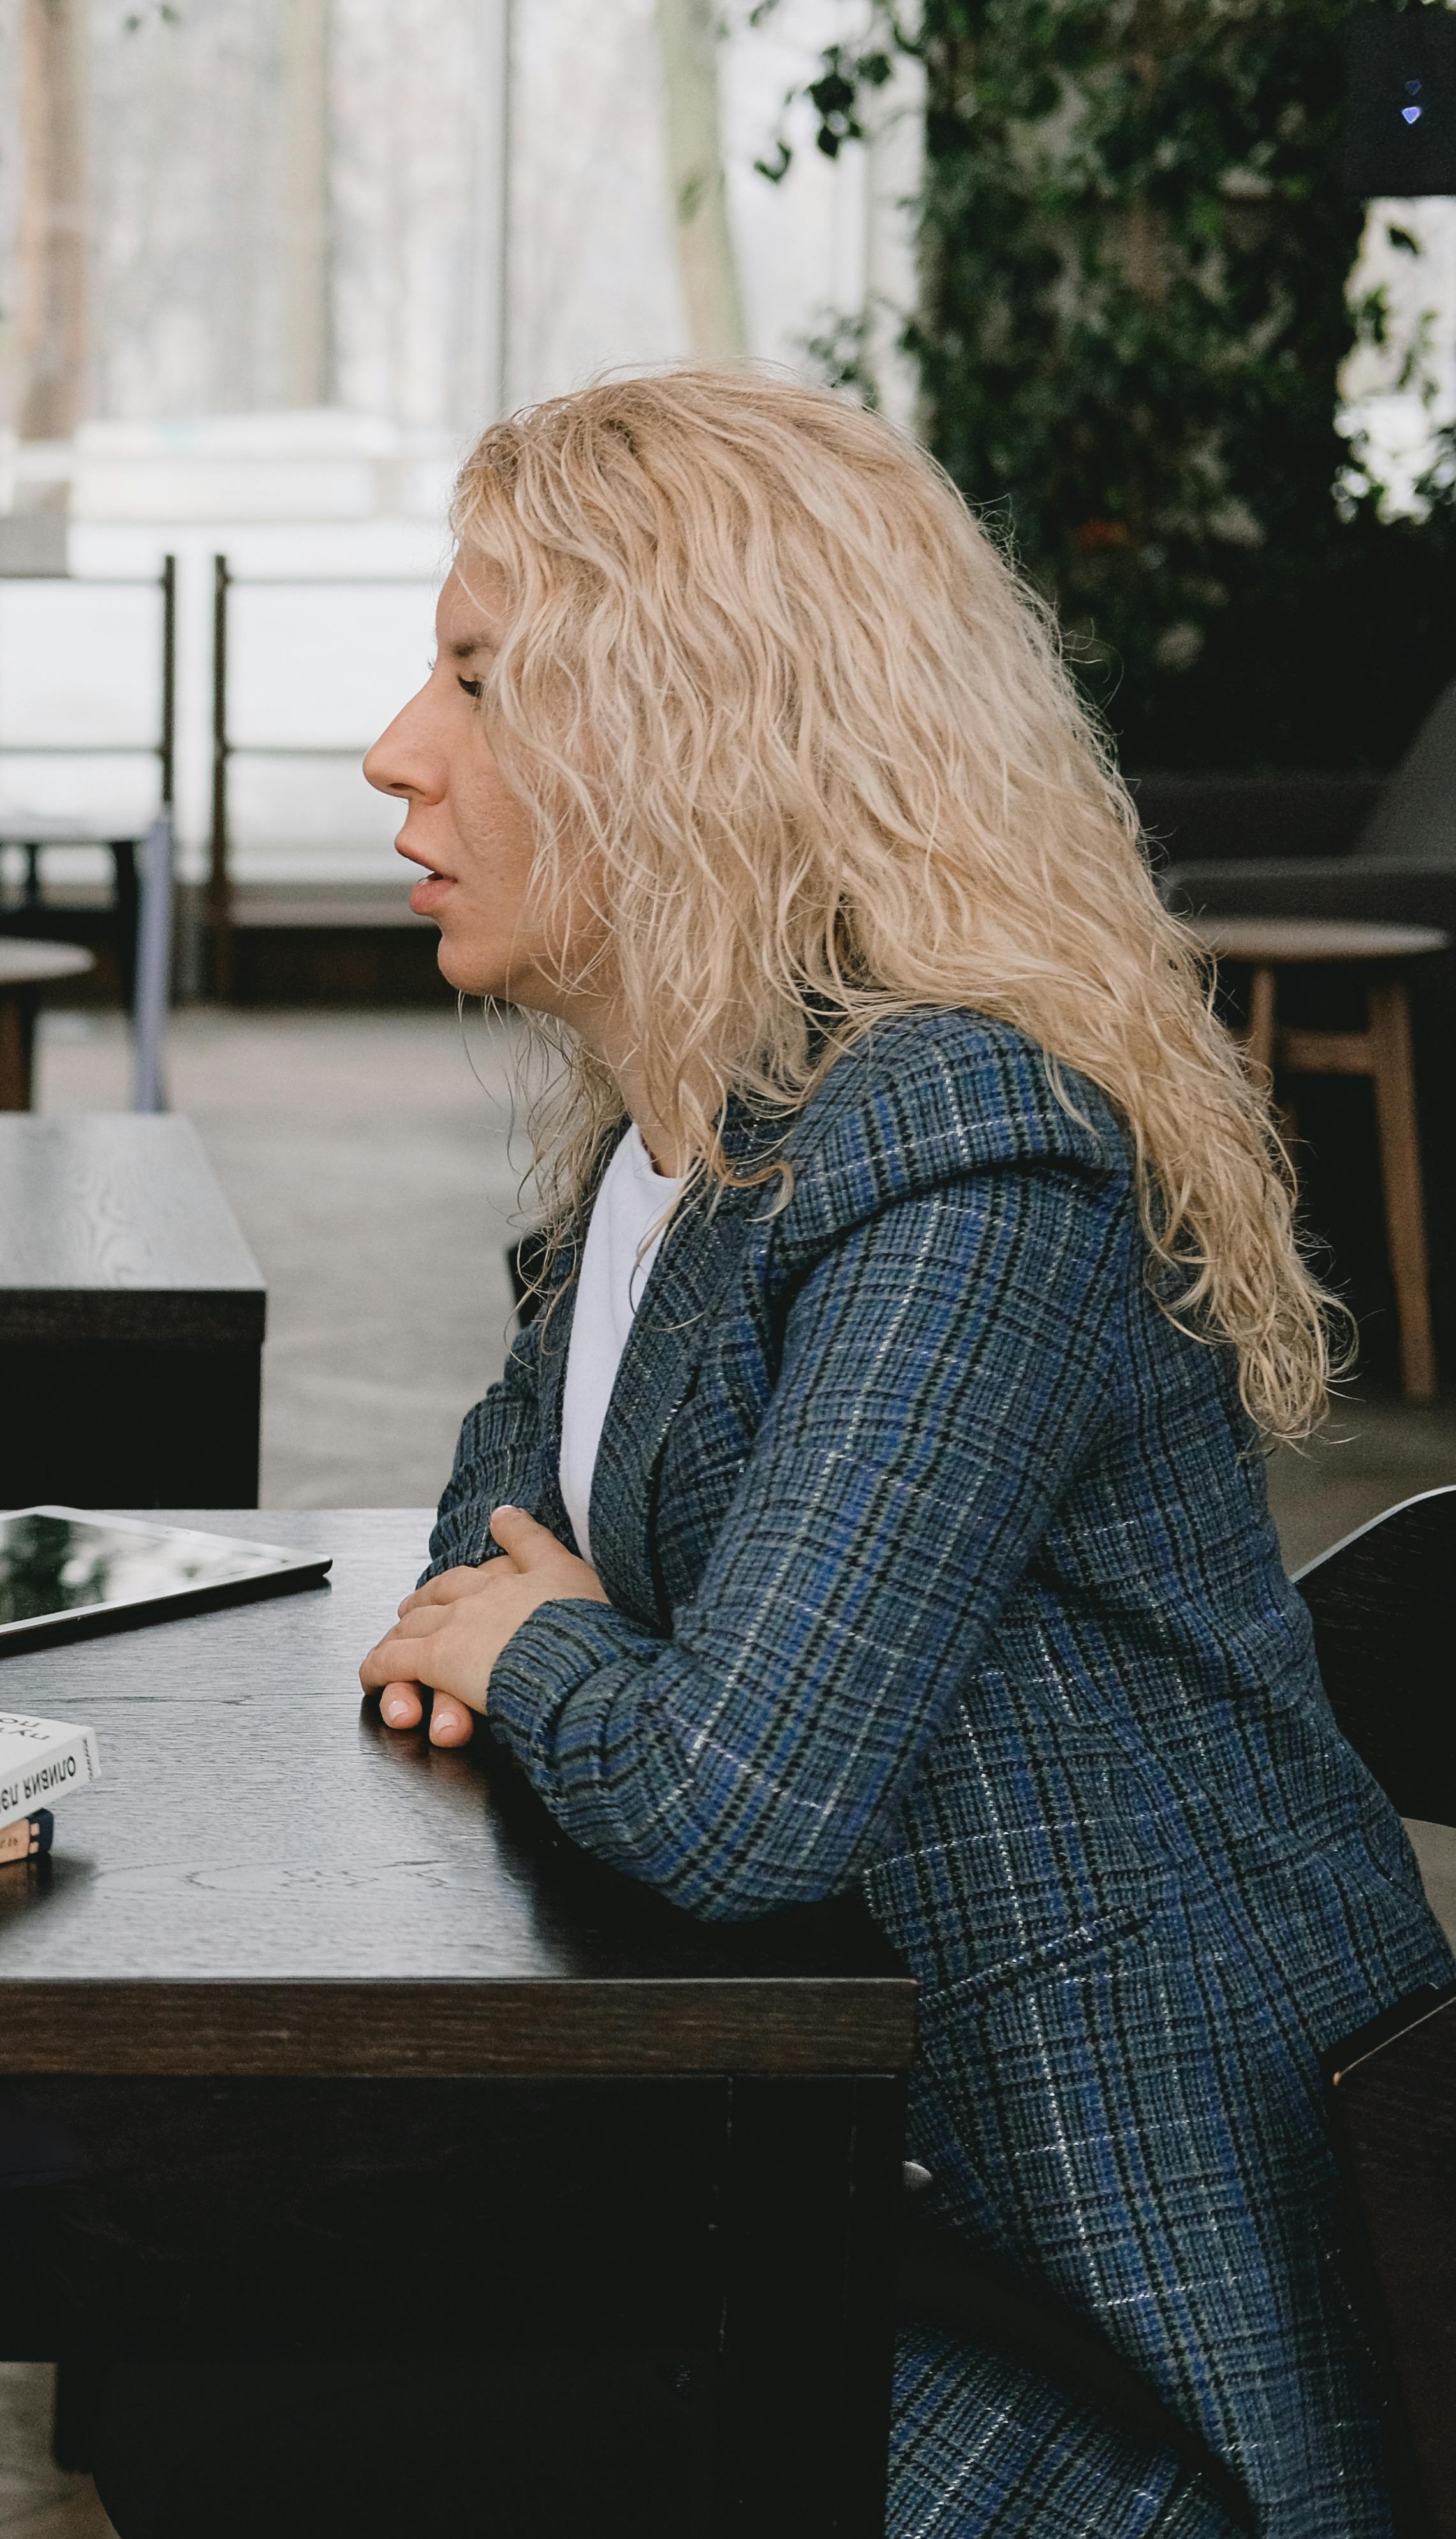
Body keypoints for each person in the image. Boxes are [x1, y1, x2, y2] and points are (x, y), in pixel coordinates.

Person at [338, 369, 1451, 2534]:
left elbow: (731, 1799)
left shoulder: (964, 1140)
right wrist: (532, 1625)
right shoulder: (685, 1142)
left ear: (697, 730)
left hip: (1118, 2318)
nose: (398, 748)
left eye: (479, 678)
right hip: (878, 2184)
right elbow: (475, 1563)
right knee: (283, 2371)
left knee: (317, 2404)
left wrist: (548, 1650)